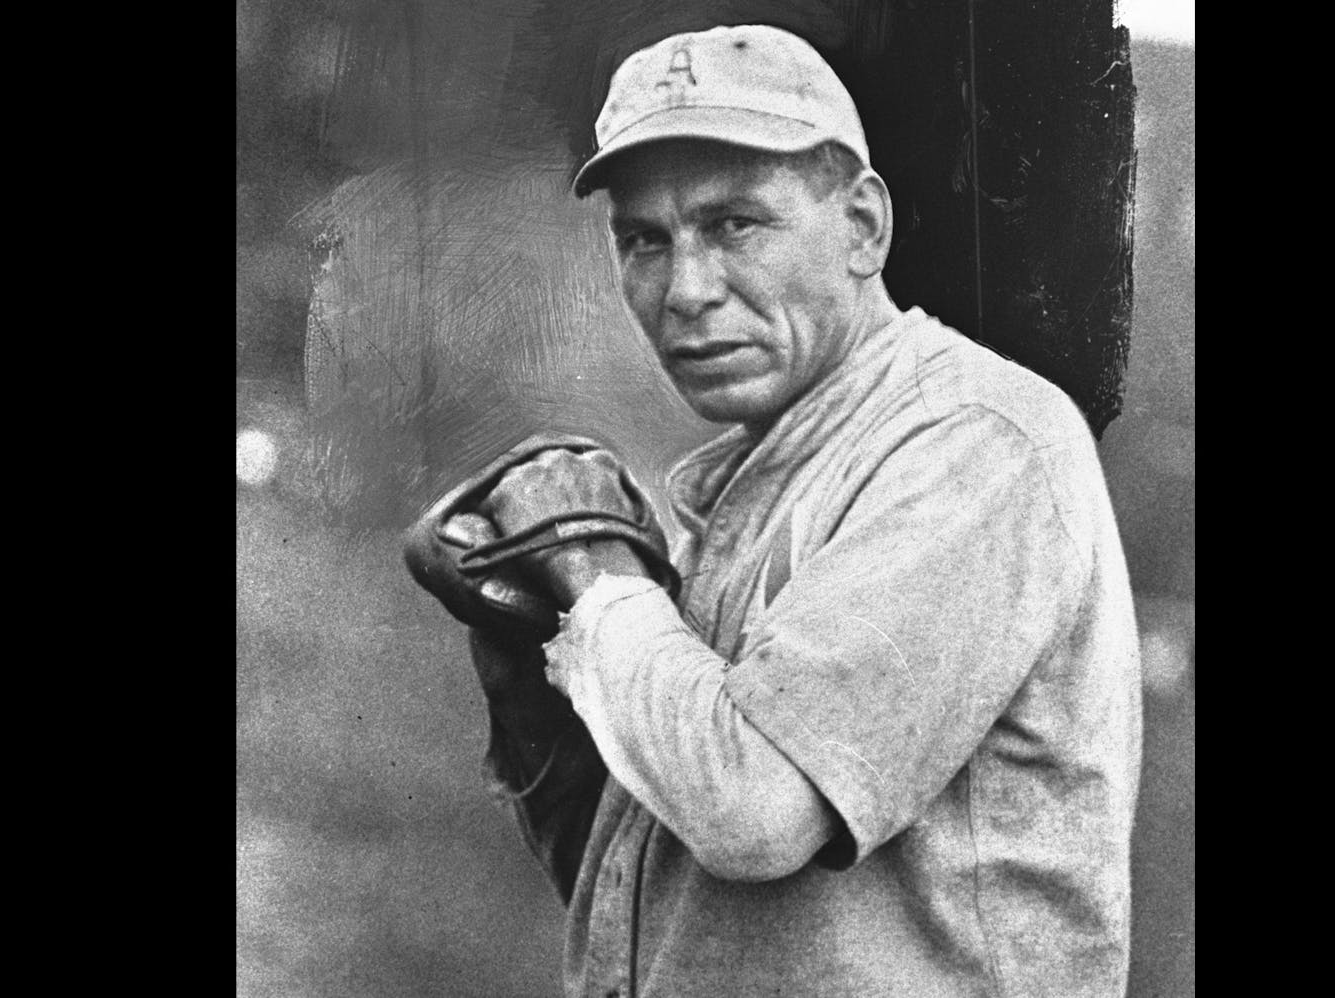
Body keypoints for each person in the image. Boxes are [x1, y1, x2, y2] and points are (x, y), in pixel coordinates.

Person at [467, 23, 1142, 998]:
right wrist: (536, 680)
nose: (686, 289)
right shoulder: (770, 471)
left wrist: (592, 572)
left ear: (863, 225)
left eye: (736, 223)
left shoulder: (978, 441)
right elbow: (676, 914)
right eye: (645, 239)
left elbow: (751, 807)